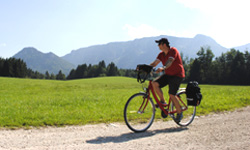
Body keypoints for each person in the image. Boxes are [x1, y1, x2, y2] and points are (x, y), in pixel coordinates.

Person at [149, 38, 185, 122]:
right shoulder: (161, 54)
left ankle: (180, 113)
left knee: (172, 94)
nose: (158, 46)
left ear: (164, 44)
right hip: (168, 75)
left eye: (159, 44)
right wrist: (144, 67)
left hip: (177, 75)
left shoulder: (173, 50)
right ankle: (163, 102)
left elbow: (170, 61)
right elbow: (154, 63)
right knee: (154, 83)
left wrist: (163, 67)